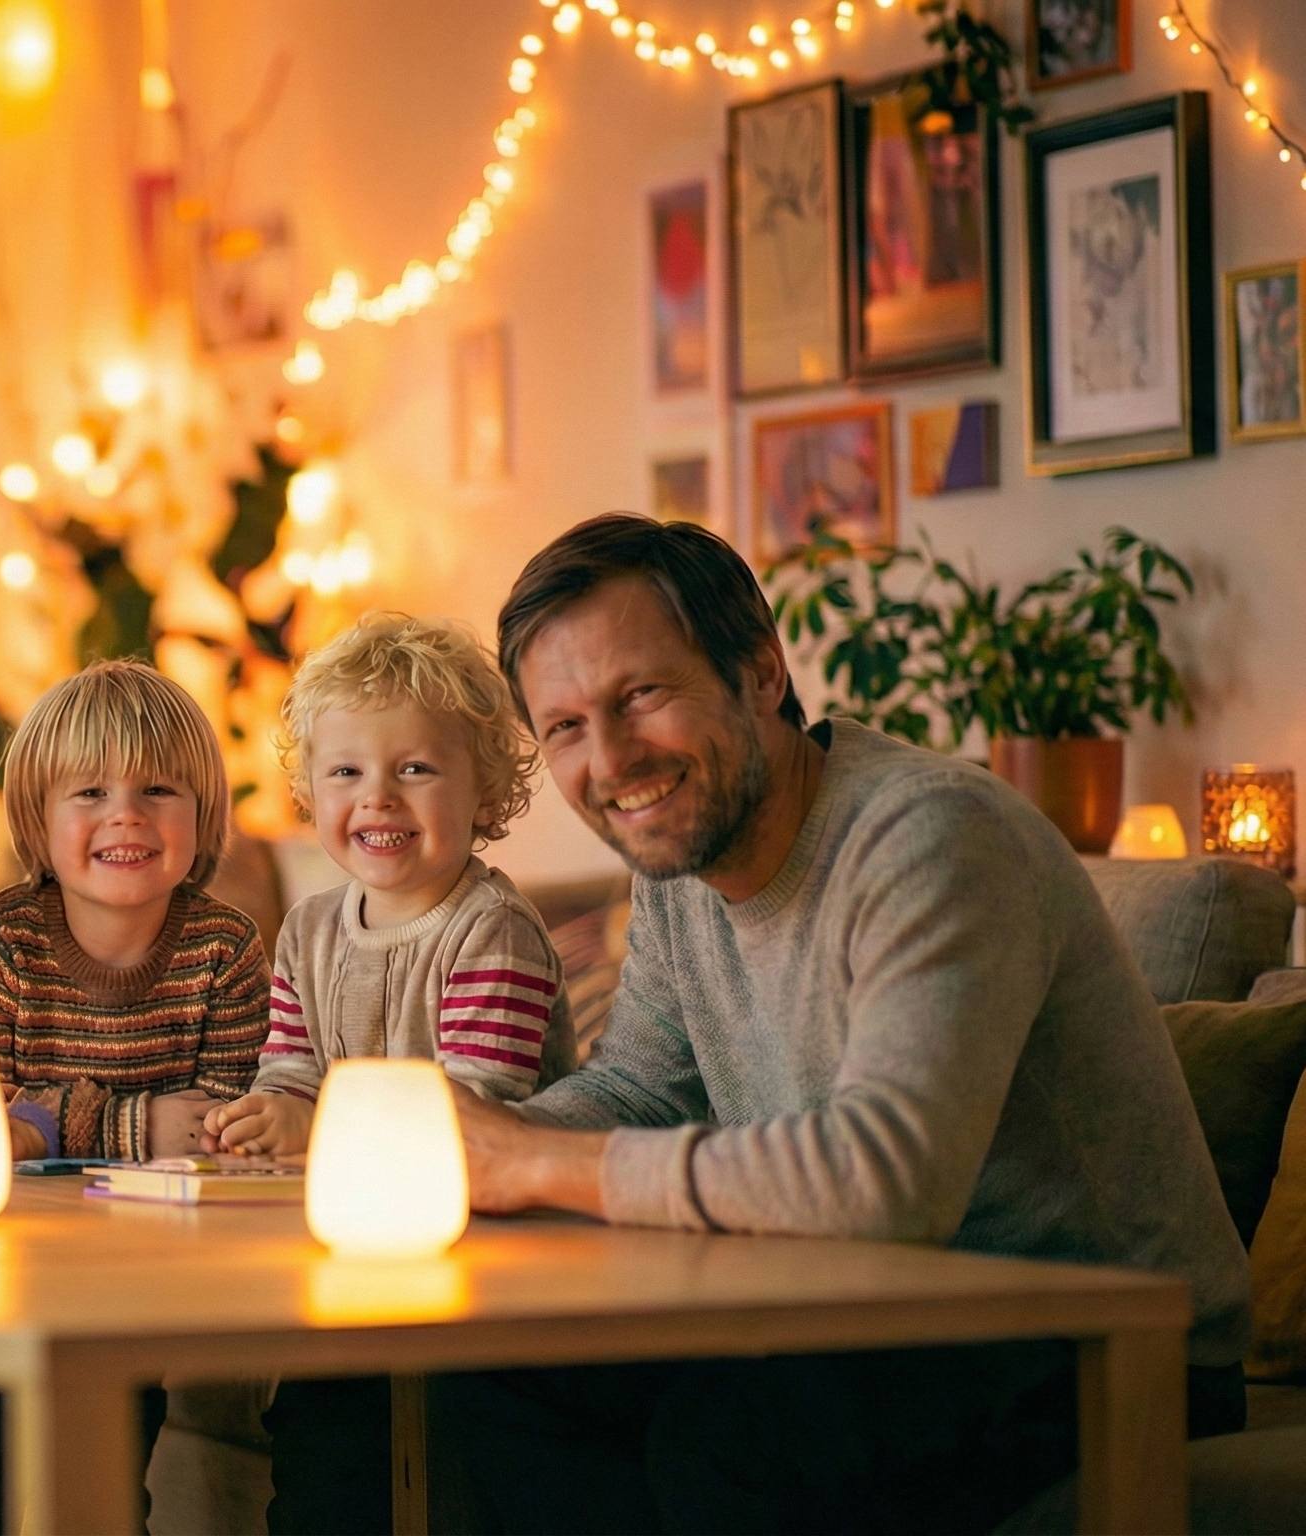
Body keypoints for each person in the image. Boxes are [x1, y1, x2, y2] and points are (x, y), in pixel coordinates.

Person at [430, 512, 1251, 1532]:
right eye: (563, 727)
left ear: (760, 672)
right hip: (871, 1310)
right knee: (468, 1374)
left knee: (736, 1437)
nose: (610, 758)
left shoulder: (931, 837)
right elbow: (635, 1091)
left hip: (1105, 1343)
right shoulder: (687, 866)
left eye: (640, 694)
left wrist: (534, 1167)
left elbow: (886, 1180)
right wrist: (445, 1137)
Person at [196, 611, 570, 1534]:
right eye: (346, 772)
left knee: (433, 1441)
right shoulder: (309, 930)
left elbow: (471, 1118)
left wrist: (311, 1127)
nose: (378, 799)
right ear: (309, 791)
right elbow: (288, 1069)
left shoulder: (492, 933)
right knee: (321, 1433)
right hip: (354, 1253)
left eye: (415, 769)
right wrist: (260, 1114)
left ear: (484, 790)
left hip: (485, 1261)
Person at [0, 658, 271, 1534]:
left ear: (203, 814)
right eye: (88, 792)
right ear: (36, 819)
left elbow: (220, 1122)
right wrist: (124, 1120)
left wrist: (40, 1117)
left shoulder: (223, 948)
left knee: (104, 1494)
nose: (126, 815)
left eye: (159, 790)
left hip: (133, 1278)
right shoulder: (4, 936)